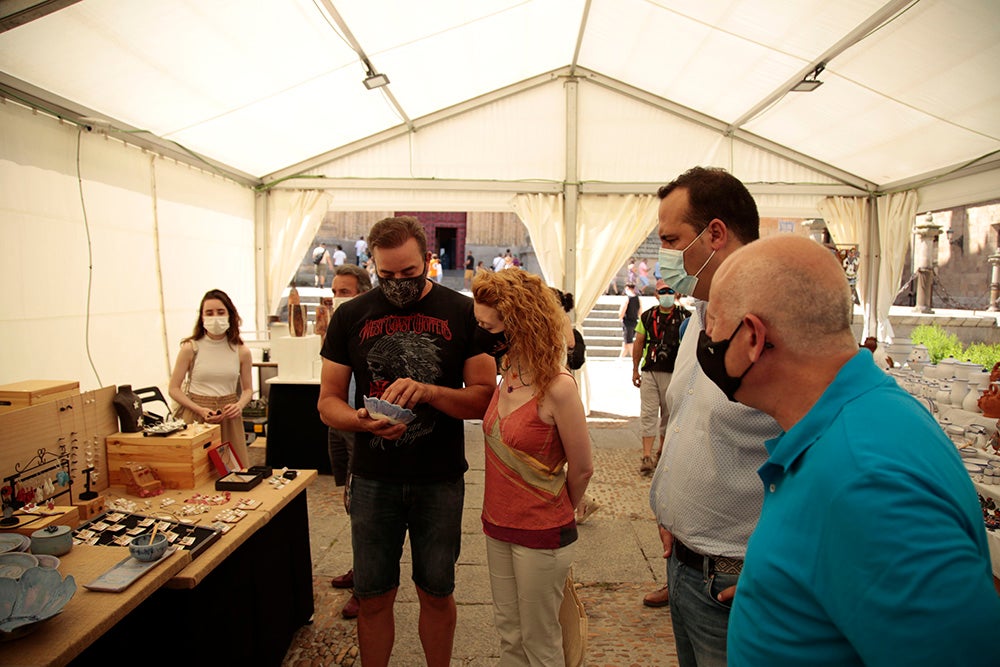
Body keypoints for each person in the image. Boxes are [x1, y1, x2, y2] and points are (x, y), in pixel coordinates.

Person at [701, 235, 1000, 666]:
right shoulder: (866, 417)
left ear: (752, 336)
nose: (707, 337)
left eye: (714, 322)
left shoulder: (866, 481)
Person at [317, 216, 495, 667]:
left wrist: (431, 391)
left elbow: (482, 399)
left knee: (437, 592)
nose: (397, 284)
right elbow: (327, 402)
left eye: (409, 274)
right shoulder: (351, 315)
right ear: (372, 264)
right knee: (373, 597)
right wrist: (360, 421)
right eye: (386, 275)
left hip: (439, 479)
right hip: (374, 479)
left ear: (428, 262)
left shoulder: (461, 312)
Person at [647, 166, 782, 666]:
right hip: (685, 565)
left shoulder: (777, 328)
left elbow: (823, 460)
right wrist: (673, 509)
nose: (663, 254)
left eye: (670, 239)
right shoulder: (700, 317)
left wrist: (780, 565)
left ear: (716, 234)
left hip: (736, 580)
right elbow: (690, 423)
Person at [472, 269, 593, 666]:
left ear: (520, 323)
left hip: (541, 532)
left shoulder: (558, 387)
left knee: (541, 642)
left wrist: (551, 507)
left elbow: (583, 468)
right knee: (509, 632)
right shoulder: (507, 375)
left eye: (490, 327)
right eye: (480, 325)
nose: (484, 335)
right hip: (498, 523)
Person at [325, 263, 373, 620]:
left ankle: (366, 586)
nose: (337, 298)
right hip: (340, 422)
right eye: (335, 291)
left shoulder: (370, 325)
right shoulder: (339, 325)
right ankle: (360, 569)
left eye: (345, 292)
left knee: (363, 508)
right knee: (348, 498)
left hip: (362, 425)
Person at [168, 289, 253, 466]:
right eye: (209, 313)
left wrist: (238, 406)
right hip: (197, 417)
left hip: (228, 417)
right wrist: (199, 409)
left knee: (232, 471)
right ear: (202, 317)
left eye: (220, 312)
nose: (215, 317)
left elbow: (247, 390)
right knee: (196, 470)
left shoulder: (241, 351)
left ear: (230, 314)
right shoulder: (190, 348)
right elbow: (174, 388)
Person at [633, 279, 689, 475]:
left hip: (674, 371)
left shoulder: (685, 317)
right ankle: (646, 455)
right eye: (663, 291)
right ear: (656, 295)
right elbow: (638, 343)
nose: (667, 294)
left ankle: (662, 452)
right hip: (650, 370)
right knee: (648, 413)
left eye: (670, 291)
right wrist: (635, 370)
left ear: (676, 294)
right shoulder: (648, 316)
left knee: (668, 414)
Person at [618, 282, 640, 358]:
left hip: (627, 322)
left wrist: (620, 317)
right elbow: (640, 310)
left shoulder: (627, 298)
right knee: (626, 342)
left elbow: (623, 309)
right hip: (635, 322)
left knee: (629, 342)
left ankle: (634, 358)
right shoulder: (638, 298)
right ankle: (620, 359)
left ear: (627, 288)